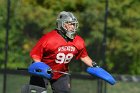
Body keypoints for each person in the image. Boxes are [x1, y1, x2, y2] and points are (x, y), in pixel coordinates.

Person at [29, 11, 96, 93]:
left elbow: (83, 56)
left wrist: (95, 66)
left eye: (73, 24)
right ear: (62, 24)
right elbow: (35, 55)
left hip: (61, 73)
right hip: (42, 72)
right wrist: (42, 68)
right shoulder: (49, 38)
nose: (72, 26)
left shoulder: (78, 41)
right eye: (70, 24)